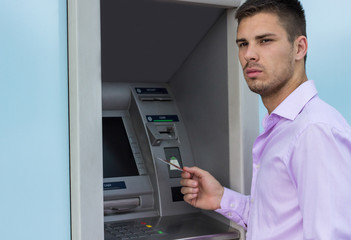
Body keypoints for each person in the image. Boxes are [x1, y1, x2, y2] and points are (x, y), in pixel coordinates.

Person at [180, 0, 351, 239]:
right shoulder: (283, 127)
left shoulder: (314, 131)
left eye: (265, 40)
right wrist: (220, 198)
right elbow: (277, 223)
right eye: (243, 44)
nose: (249, 54)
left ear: (299, 48)